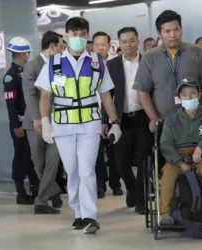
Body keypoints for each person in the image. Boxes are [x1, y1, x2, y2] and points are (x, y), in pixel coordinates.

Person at [34, 17, 122, 234]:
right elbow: (45, 96)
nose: (79, 38)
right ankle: (78, 211)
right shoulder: (53, 63)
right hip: (63, 125)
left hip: (90, 124)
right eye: (74, 34)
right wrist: (45, 121)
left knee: (86, 170)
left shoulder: (96, 62)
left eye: (83, 34)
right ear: (66, 36)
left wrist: (114, 122)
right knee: (72, 170)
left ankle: (90, 216)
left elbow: (106, 95)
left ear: (87, 36)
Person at [133, 10, 202, 131]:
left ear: (181, 29)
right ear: (159, 33)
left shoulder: (197, 51)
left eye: (176, 29)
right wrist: (153, 118)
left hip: (198, 120)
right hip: (165, 123)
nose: (173, 35)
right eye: (167, 31)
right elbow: (142, 91)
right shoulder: (149, 57)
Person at [159, 78, 202, 225]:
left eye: (192, 93)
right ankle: (165, 215)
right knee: (168, 173)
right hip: (177, 159)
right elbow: (165, 145)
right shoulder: (171, 120)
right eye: (184, 95)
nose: (189, 98)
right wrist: (178, 162)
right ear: (179, 98)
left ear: (199, 94)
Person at [102, 27, 152, 215]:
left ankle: (141, 200)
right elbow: (107, 94)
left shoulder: (148, 61)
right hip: (120, 119)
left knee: (143, 160)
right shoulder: (112, 65)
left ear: (137, 41)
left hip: (143, 117)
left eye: (131, 41)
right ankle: (132, 189)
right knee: (120, 160)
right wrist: (105, 120)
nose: (128, 45)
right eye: (124, 42)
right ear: (119, 44)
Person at [22, 31, 64, 214]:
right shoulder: (32, 65)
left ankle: (40, 201)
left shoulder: (60, 65)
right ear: (52, 46)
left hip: (56, 121)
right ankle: (53, 190)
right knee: (38, 162)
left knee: (53, 161)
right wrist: (37, 118)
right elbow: (30, 94)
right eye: (61, 46)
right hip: (35, 122)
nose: (63, 50)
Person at [3, 37, 39, 205]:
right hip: (19, 124)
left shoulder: (26, 72)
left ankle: (35, 188)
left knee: (31, 157)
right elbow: (11, 105)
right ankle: (20, 191)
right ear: (24, 54)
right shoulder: (11, 76)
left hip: (30, 123)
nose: (30, 55)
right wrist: (16, 125)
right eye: (29, 52)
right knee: (21, 157)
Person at [92, 31, 123, 198]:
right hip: (93, 116)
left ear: (110, 47)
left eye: (103, 45)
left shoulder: (114, 65)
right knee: (96, 154)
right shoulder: (89, 65)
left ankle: (115, 183)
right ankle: (100, 184)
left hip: (111, 115)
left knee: (114, 152)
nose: (100, 48)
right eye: (96, 45)